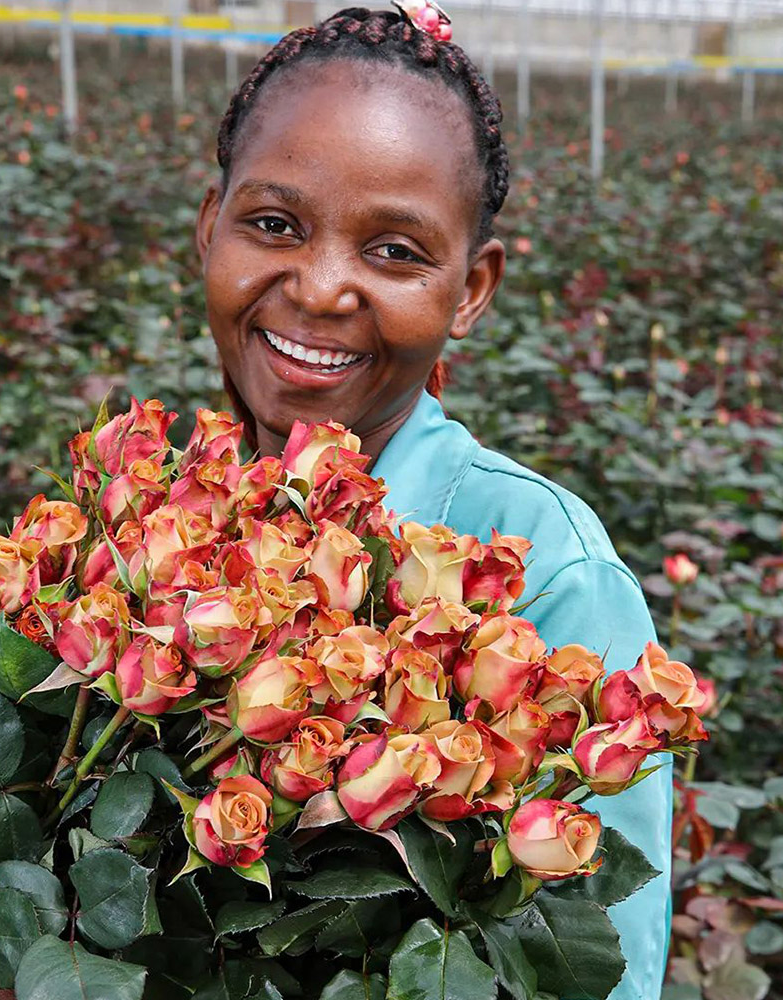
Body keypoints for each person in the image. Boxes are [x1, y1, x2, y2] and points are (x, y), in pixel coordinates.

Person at [194, 5, 671, 1000]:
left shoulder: (550, 577)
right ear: (211, 226)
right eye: (274, 225)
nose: (321, 288)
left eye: (394, 252)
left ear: (472, 288)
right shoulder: (146, 518)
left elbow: (601, 974)